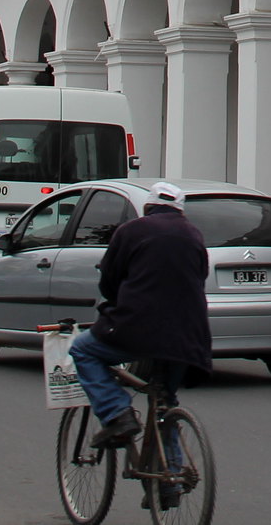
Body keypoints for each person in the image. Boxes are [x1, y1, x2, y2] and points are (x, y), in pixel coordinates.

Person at [69, 181, 213, 449]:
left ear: (148, 207)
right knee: (165, 404)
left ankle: (117, 413)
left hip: (136, 328)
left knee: (82, 350)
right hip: (189, 336)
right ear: (180, 211)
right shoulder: (194, 235)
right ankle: (172, 474)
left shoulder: (131, 231)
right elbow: (199, 279)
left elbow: (109, 281)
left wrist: (116, 309)